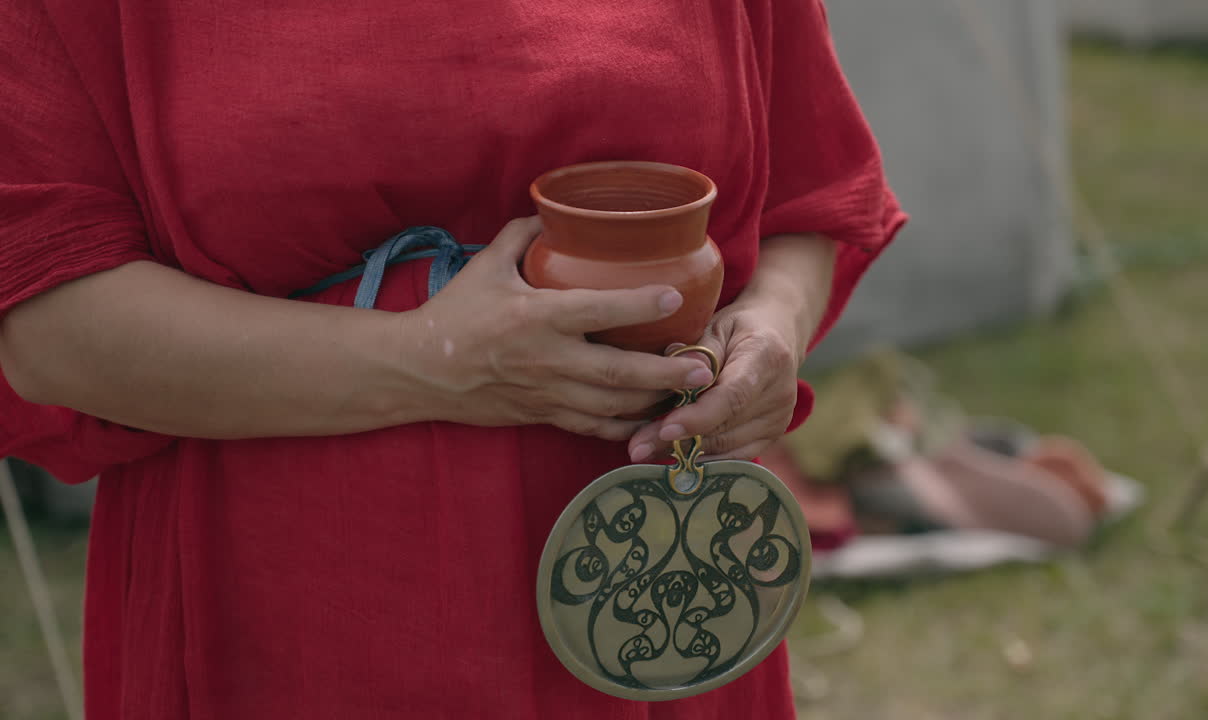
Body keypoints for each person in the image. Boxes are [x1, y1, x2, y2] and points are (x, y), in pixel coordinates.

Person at [0, 1, 904, 718]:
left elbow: (806, 194)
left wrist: (772, 327)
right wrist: (423, 360)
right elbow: (47, 322)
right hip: (293, 617)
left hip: (661, 604)